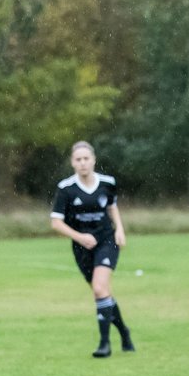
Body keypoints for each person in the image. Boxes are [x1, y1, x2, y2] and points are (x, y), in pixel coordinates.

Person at [49, 141, 134, 357]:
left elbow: (112, 207)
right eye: (78, 160)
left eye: (86, 159)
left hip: (107, 241)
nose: (83, 163)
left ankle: (104, 345)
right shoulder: (65, 189)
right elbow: (56, 223)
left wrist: (120, 229)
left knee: (99, 289)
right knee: (102, 293)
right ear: (72, 163)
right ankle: (124, 331)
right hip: (81, 248)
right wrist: (80, 237)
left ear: (93, 160)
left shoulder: (107, 183)